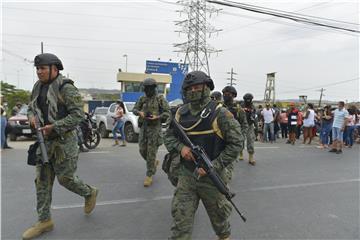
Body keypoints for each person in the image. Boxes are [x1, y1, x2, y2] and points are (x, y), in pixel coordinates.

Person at [23, 53, 98, 240]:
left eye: (43, 68)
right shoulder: (37, 87)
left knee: (66, 179)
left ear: (54, 69)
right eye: (37, 68)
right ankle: (44, 220)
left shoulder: (67, 88)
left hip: (65, 142)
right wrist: (31, 116)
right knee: (42, 181)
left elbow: (78, 116)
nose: (39, 71)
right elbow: (31, 106)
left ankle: (89, 192)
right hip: (44, 141)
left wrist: (55, 126)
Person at [164, 71, 243, 240]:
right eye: (190, 88)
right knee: (180, 222)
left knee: (220, 221)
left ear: (207, 87)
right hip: (187, 175)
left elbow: (237, 143)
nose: (193, 91)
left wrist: (215, 165)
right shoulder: (179, 113)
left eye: (197, 87)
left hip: (212, 177)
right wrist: (181, 148)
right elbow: (169, 136)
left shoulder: (220, 113)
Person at [133, 78, 170, 187]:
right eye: (146, 88)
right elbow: (134, 109)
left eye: (149, 88)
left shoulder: (160, 99)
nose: (147, 90)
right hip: (144, 128)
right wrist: (140, 113)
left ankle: (149, 175)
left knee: (151, 153)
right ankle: (153, 163)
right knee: (142, 150)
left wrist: (157, 117)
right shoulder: (142, 98)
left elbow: (168, 113)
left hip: (155, 129)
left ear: (153, 88)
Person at [222, 86, 249, 162]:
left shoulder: (238, 109)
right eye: (224, 94)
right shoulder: (219, 107)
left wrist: (241, 136)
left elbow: (244, 124)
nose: (225, 96)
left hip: (233, 139)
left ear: (233, 95)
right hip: (221, 138)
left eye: (228, 94)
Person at [240, 93, 257, 165]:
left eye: (249, 100)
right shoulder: (240, 105)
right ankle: (240, 153)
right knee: (240, 139)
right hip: (241, 125)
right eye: (246, 100)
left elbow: (254, 117)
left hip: (250, 125)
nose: (248, 101)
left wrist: (256, 127)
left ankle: (251, 157)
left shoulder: (253, 107)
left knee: (250, 140)